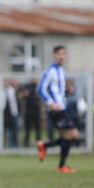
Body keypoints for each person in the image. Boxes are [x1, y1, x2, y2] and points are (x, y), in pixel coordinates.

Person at [36, 45, 79, 173]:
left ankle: (44, 146)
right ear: (54, 55)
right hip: (56, 109)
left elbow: (59, 91)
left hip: (63, 107)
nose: (61, 56)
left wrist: (68, 90)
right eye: (59, 54)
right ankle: (61, 166)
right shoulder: (50, 71)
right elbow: (40, 89)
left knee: (70, 136)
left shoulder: (62, 71)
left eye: (63, 54)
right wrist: (51, 103)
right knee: (72, 134)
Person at [23, 77, 41, 147]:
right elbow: (25, 96)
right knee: (28, 129)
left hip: (36, 111)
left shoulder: (38, 87)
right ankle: (26, 144)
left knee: (38, 129)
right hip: (29, 112)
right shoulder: (27, 87)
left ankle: (39, 144)